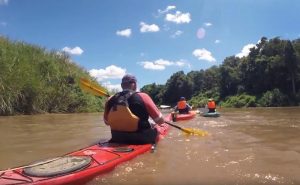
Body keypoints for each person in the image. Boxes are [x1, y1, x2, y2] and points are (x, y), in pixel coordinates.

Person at [103, 74, 165, 144]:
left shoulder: (110, 99)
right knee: (159, 132)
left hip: (117, 138)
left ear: (121, 85)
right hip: (141, 139)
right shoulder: (143, 96)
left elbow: (107, 122)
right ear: (135, 84)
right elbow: (160, 121)